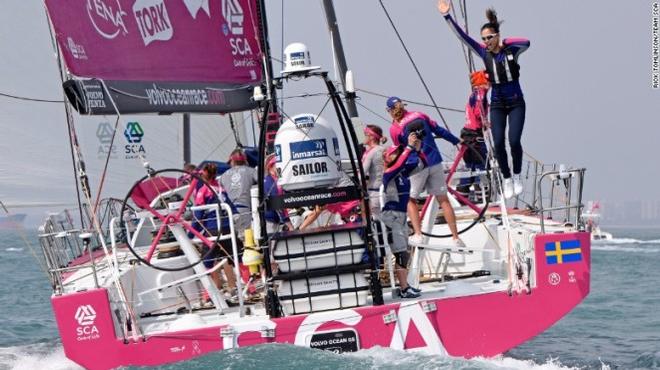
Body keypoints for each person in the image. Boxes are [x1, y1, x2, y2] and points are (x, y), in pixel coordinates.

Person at [438, 0, 530, 198]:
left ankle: (516, 176)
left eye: (490, 37)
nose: (487, 41)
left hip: (516, 103)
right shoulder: (483, 53)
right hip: (497, 104)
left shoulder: (511, 50)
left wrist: (504, 41)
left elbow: (526, 42)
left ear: (497, 36)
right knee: (498, 143)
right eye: (484, 38)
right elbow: (462, 37)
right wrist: (447, 17)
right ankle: (506, 179)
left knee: (514, 141)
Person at [387, 96, 465, 248]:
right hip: (435, 162)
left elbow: (400, 151)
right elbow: (439, 130)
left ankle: (418, 235)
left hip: (417, 166)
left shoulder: (395, 129)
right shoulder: (420, 115)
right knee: (443, 200)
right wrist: (456, 141)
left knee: (410, 199)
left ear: (389, 111)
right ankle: (456, 238)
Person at [381, 133, 425, 298]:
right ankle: (404, 289)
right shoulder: (388, 173)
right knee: (401, 252)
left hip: (400, 216)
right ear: (386, 158)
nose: (398, 155)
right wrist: (408, 147)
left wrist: (417, 150)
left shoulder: (401, 172)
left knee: (404, 252)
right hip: (391, 217)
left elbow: (420, 165)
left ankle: (406, 285)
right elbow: (399, 163)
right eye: (394, 153)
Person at [192, 163, 241, 297]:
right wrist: (235, 213)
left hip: (213, 230)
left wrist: (190, 234)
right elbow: (230, 204)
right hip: (227, 227)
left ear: (203, 175)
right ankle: (249, 287)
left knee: (207, 262)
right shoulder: (220, 188)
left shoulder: (203, 191)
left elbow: (198, 216)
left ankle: (208, 295)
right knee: (236, 257)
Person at [457, 70, 490, 203]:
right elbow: (479, 113)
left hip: (467, 135)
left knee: (469, 168)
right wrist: (486, 123)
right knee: (482, 168)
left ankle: (460, 199)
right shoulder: (481, 95)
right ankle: (484, 201)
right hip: (475, 136)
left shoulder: (474, 94)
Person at [220, 149, 257, 241]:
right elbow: (263, 184)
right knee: (247, 241)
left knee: (233, 243)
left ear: (232, 161)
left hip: (228, 213)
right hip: (244, 211)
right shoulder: (252, 171)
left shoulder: (223, 176)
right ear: (245, 160)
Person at [362, 125, 388, 220]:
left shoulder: (370, 152)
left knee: (376, 223)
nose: (363, 137)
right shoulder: (385, 149)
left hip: (375, 193)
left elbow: (362, 173)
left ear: (372, 137)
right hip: (389, 191)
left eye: (365, 134)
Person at [264, 155, 294, 233]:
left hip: (275, 219)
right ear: (270, 166)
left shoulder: (276, 179)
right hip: (270, 221)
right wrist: (288, 224)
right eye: (278, 164)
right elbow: (278, 204)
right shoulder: (270, 182)